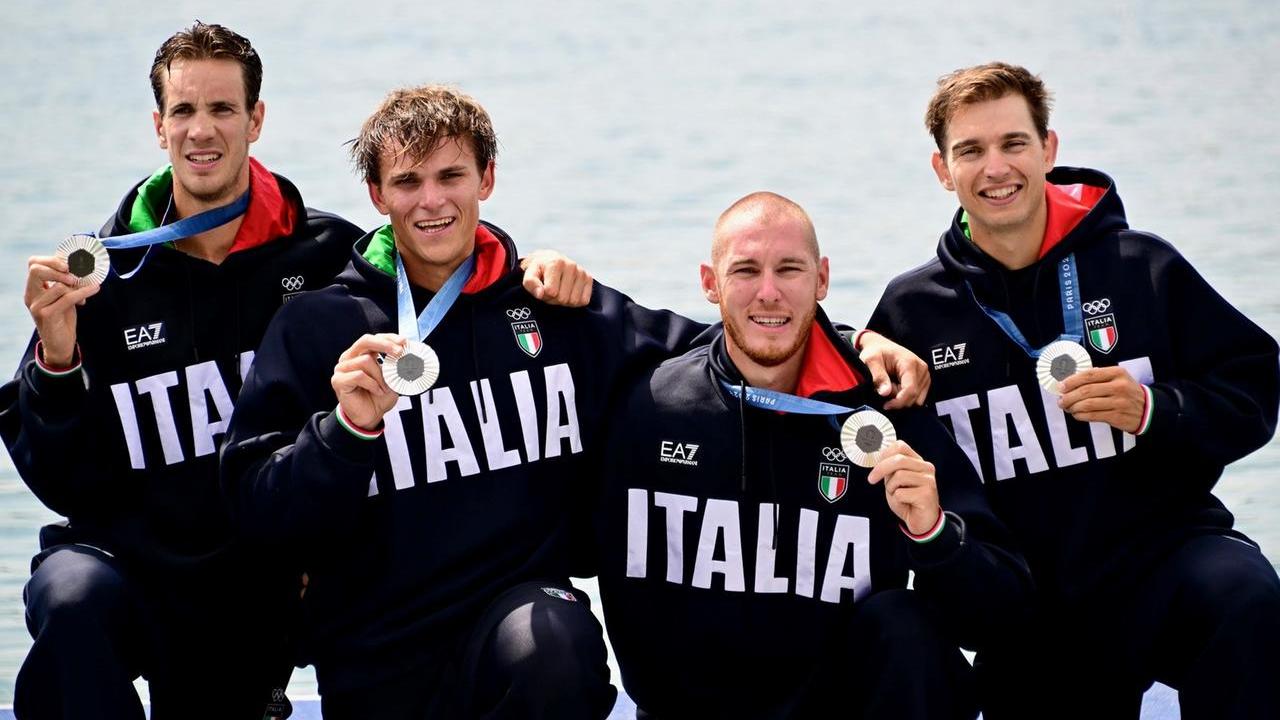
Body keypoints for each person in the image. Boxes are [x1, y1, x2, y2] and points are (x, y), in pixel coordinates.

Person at [219, 86, 930, 720]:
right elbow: (258, 511)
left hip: (515, 618)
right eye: (408, 181)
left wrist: (854, 339)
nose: (432, 200)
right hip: (376, 648)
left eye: (451, 176)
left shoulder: (552, 307)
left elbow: (725, 341)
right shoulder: (321, 326)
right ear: (378, 195)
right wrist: (342, 432)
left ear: (486, 179)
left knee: (555, 644)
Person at [0, 22, 584, 720]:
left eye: (221, 109)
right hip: (126, 563)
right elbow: (62, 479)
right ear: (158, 126)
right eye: (183, 111)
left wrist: (535, 272)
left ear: (256, 119)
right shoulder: (104, 275)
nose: (202, 131)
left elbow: (447, 273)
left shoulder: (324, 257)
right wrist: (58, 360)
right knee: (69, 602)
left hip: (261, 581)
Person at [867, 62, 1280, 719]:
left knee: (1249, 601)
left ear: (1049, 150)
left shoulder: (1142, 266)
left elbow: (1253, 389)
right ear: (943, 170)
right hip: (1029, 603)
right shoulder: (914, 310)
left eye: (1014, 143)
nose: (995, 167)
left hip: (1163, 559)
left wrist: (1157, 410)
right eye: (970, 150)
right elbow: (846, 412)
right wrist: (856, 339)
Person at [593, 192, 1030, 720]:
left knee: (906, 626)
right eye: (746, 270)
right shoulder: (649, 405)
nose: (769, 293)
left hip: (837, 709)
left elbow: (1000, 615)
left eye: (790, 269)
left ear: (822, 279)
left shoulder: (883, 407)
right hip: (690, 711)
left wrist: (934, 534)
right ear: (710, 283)